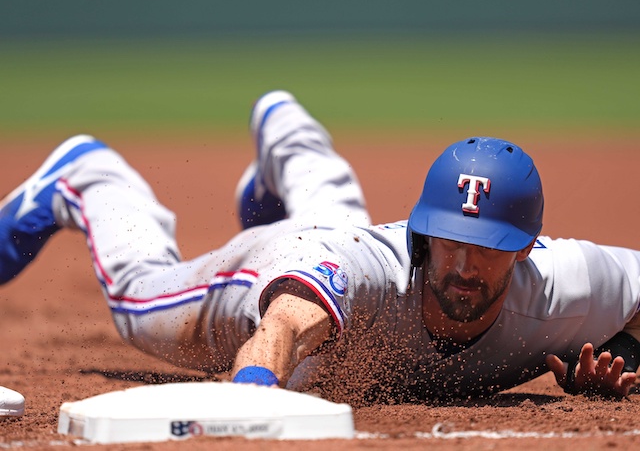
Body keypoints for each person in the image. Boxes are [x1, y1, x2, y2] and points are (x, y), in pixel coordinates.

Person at [1, 91, 639, 404]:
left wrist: (625, 352)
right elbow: (286, 321)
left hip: (338, 240)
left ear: (527, 250)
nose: (466, 265)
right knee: (136, 301)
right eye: (450, 242)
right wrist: (251, 390)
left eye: (490, 248)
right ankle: (89, 174)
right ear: (423, 233)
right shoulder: (372, 275)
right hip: (282, 268)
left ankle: (285, 125)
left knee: (335, 213)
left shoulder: (569, 285)